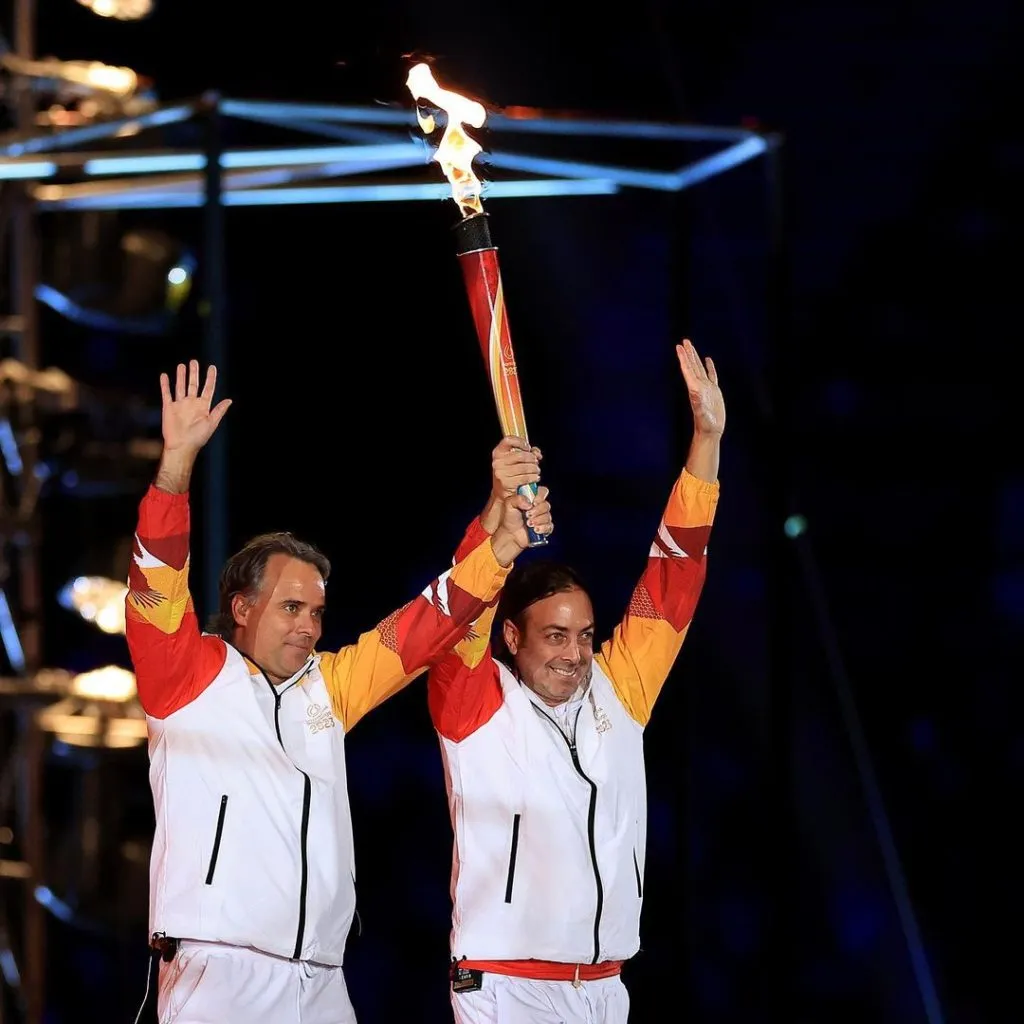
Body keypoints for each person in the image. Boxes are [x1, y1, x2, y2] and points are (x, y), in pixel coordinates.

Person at [124, 360, 553, 1024]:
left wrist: (497, 538)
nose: (310, 625)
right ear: (241, 607)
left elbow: (427, 623)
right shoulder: (185, 677)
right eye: (292, 608)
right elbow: (157, 572)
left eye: (317, 612)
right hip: (220, 974)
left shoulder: (330, 687)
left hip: (321, 980)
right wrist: (176, 462)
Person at [426, 338, 724, 1023]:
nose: (573, 654)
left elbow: (675, 573)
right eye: (555, 636)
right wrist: (498, 512)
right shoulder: (473, 703)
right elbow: (457, 607)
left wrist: (706, 439)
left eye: (585, 635)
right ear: (512, 637)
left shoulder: (619, 691)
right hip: (507, 987)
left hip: (606, 988)